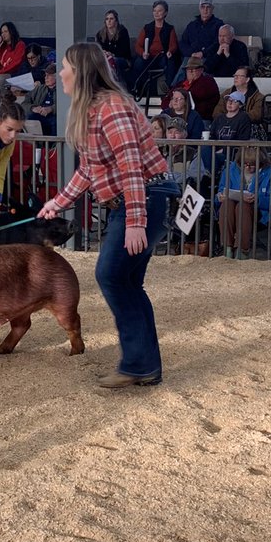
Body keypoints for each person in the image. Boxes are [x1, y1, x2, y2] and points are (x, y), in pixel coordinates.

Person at [39, 42, 180, 389]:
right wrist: (57, 203)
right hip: (141, 198)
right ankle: (145, 366)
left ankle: (137, 364)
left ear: (82, 72)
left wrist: (135, 222)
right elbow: (88, 170)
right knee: (128, 282)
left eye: (65, 68)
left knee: (111, 276)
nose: (60, 74)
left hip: (145, 197)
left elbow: (132, 167)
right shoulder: (93, 111)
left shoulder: (112, 108)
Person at [215, 145, 271, 259]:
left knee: (243, 206)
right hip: (230, 210)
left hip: (257, 213)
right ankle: (227, 249)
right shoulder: (230, 170)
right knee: (227, 204)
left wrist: (257, 198)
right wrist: (219, 196)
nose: (248, 167)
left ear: (260, 162)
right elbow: (220, 191)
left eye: (252, 164)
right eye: (244, 164)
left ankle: (243, 250)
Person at [129, 0, 179, 93]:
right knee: (138, 63)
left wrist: (170, 51)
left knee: (169, 63)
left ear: (165, 13)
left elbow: (173, 45)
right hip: (148, 56)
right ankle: (136, 88)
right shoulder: (147, 27)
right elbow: (138, 45)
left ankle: (169, 89)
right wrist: (143, 53)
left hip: (162, 56)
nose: (156, 13)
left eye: (159, 11)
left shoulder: (169, 28)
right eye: (154, 11)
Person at [95, 9, 133, 78]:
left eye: (111, 19)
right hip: (105, 58)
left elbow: (124, 50)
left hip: (122, 59)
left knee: (114, 62)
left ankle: (118, 85)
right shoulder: (100, 34)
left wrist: (112, 54)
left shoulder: (122, 31)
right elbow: (98, 48)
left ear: (116, 21)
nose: (109, 21)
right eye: (107, 19)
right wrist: (103, 52)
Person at [30, 62, 58, 135]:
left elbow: (65, 104)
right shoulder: (39, 88)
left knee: (55, 122)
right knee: (30, 118)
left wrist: (51, 108)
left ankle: (54, 146)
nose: (46, 77)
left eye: (49, 75)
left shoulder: (62, 90)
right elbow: (25, 103)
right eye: (45, 75)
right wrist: (33, 108)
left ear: (56, 76)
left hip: (54, 116)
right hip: (39, 115)